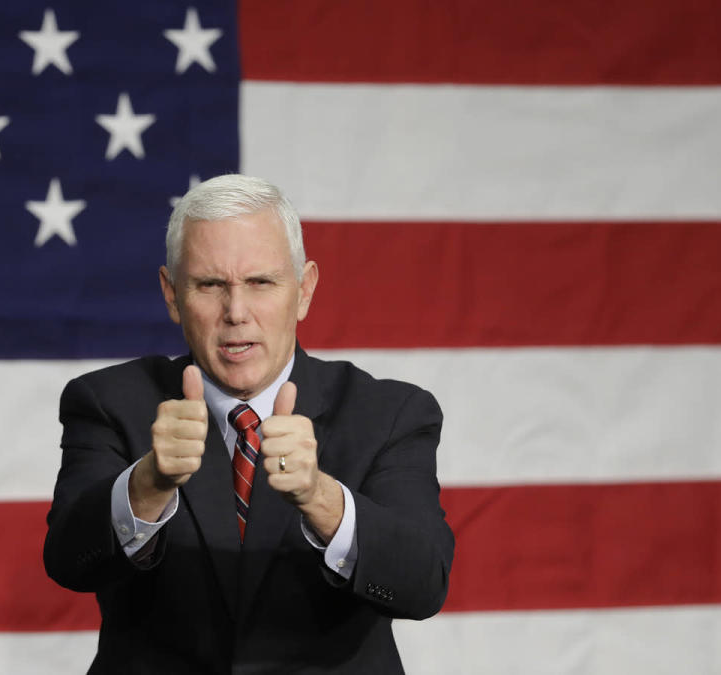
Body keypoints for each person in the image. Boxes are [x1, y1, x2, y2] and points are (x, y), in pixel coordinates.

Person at [44, 174, 454, 674]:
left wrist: (320, 497)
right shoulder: (108, 402)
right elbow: (68, 561)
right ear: (172, 295)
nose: (236, 312)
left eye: (261, 283)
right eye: (210, 285)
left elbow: (422, 585)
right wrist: (148, 484)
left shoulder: (390, 413)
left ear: (303, 291)